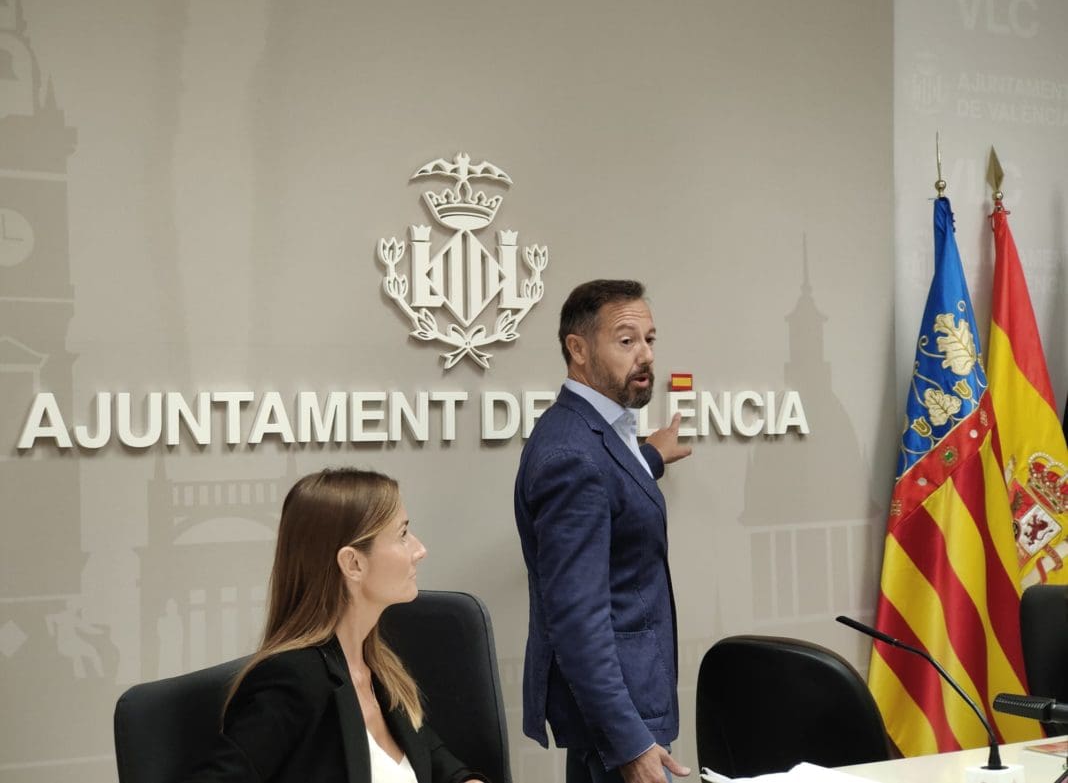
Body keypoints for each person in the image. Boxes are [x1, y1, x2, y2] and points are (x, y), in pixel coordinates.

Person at [184, 468, 488, 783]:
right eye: (402, 535)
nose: (419, 550)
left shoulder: (379, 670)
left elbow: (439, 764)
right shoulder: (293, 681)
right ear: (353, 563)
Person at [514, 280, 692, 783]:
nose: (645, 355)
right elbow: (576, 619)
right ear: (578, 349)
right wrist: (629, 742)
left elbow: (610, 495)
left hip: (621, 706)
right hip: (619, 718)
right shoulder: (572, 454)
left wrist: (650, 457)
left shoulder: (595, 432)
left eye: (649, 340)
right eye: (626, 340)